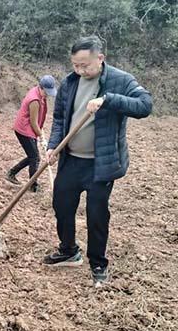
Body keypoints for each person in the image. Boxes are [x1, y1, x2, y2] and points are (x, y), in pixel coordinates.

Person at [43, 36, 152, 286]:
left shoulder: (121, 80)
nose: (80, 70)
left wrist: (108, 100)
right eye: (75, 65)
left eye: (85, 65)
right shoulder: (70, 83)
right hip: (71, 160)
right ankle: (69, 250)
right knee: (62, 204)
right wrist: (53, 146)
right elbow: (60, 119)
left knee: (97, 214)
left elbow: (145, 105)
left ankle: (98, 263)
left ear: (100, 58)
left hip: (100, 164)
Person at [6, 75, 58, 192]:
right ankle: (33, 186)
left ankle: (11, 173)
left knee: (33, 156)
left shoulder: (39, 94)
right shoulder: (34, 100)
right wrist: (42, 139)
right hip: (24, 130)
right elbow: (34, 123)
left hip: (28, 128)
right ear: (41, 87)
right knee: (35, 157)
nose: (48, 94)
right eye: (47, 91)